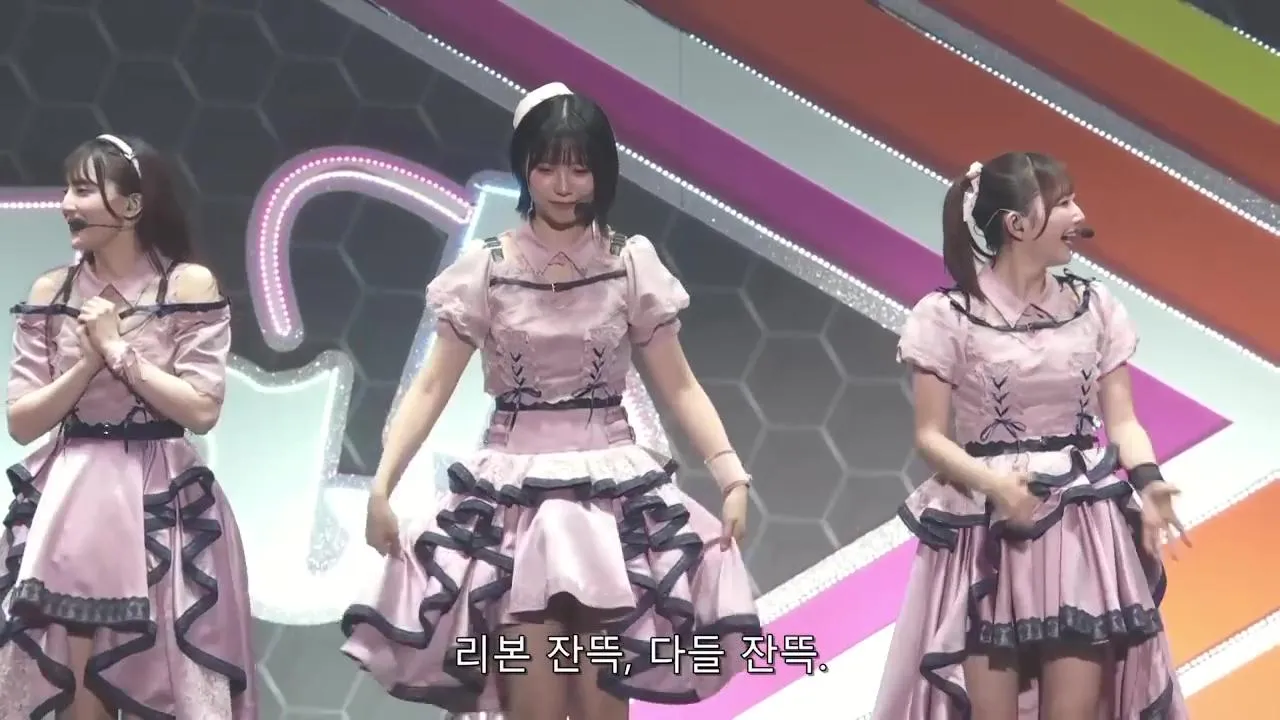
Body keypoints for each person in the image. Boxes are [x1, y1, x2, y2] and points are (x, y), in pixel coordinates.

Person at [340, 82, 761, 719]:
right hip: (515, 503)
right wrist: (382, 486)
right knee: (531, 702)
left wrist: (731, 475)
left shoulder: (629, 262)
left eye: (579, 168)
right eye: (546, 166)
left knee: (602, 702)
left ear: (601, 172)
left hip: (611, 499)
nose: (563, 185)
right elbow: (429, 387)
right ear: (524, 168)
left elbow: (680, 384)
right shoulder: (486, 267)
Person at [872, 153, 1191, 719]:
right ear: (1017, 224)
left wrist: (1149, 481)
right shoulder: (947, 316)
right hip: (987, 531)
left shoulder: (1096, 306)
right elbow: (930, 436)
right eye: (1063, 203)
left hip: (1078, 528)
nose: (1080, 215)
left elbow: (1122, 421)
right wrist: (993, 484)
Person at [1, 135, 256, 719]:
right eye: (68, 189)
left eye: (83, 190)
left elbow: (200, 409)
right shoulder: (52, 292)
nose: (67, 203)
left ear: (133, 205)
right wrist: (89, 361)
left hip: (162, 502)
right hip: (71, 504)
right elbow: (21, 421)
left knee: (167, 686)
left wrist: (119, 351)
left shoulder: (187, 286)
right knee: (81, 699)